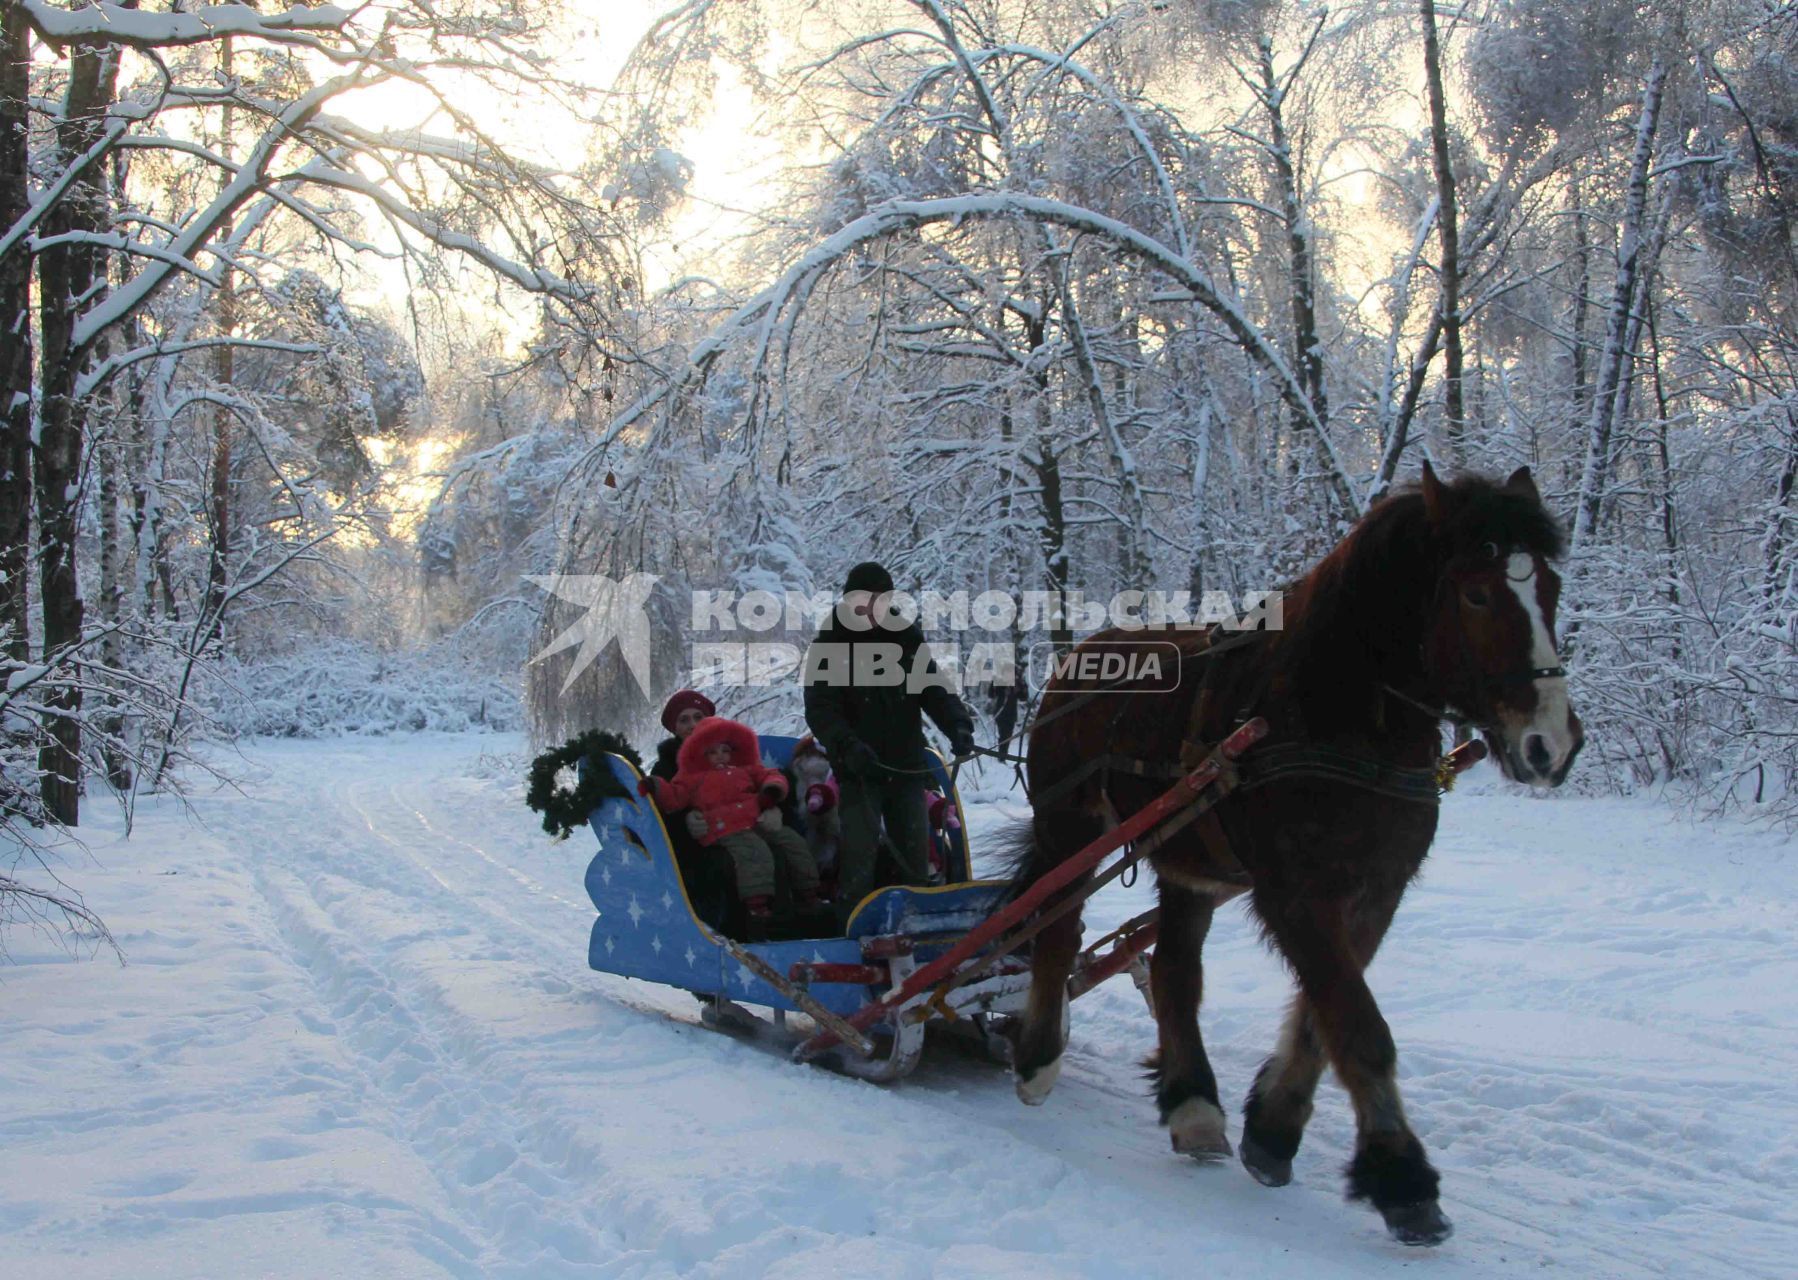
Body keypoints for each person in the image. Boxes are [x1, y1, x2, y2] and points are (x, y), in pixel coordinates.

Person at [803, 561, 976, 915]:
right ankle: (852, 928)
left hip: (906, 767)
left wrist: (958, 724)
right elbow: (821, 710)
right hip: (859, 771)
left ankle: (918, 925)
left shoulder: (906, 640)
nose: (871, 607)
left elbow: (934, 689)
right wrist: (847, 746)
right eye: (863, 600)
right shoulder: (830, 646)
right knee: (859, 855)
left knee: (915, 854)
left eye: (879, 599)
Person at [639, 716, 824, 926]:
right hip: (722, 827)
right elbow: (675, 795)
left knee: (793, 842)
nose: (720, 756)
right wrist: (655, 786)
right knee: (755, 851)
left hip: (755, 819)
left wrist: (771, 790)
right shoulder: (692, 776)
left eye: (725, 750)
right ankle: (757, 904)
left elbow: (769, 775)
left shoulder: (745, 768)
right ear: (701, 753)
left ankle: (809, 892)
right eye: (713, 752)